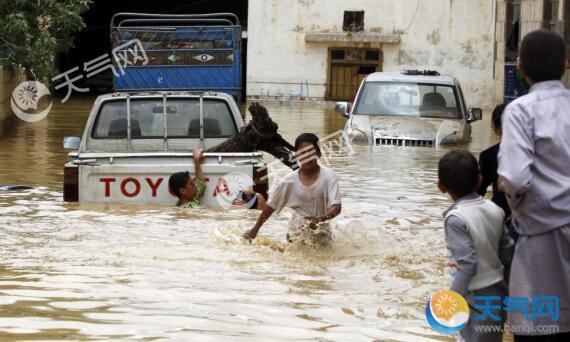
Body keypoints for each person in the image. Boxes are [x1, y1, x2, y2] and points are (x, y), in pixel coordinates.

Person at [498, 29, 570, 341]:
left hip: (540, 241)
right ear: (566, 65)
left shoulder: (520, 110)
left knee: (537, 326)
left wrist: (519, 205)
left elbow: (515, 178)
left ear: (521, 68)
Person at [438, 150, 513, 342]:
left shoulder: (456, 219)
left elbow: (467, 263)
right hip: (498, 291)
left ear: (441, 187)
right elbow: (508, 252)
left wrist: (452, 297)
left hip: (475, 295)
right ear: (479, 181)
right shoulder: (495, 209)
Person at [243, 133, 342, 246]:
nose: (307, 157)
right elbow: (271, 207)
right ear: (296, 156)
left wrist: (319, 219)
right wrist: (254, 230)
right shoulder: (288, 181)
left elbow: (337, 207)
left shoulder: (329, 176)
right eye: (302, 153)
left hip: (322, 230)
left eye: (311, 152)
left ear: (319, 154)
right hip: (297, 230)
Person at [478, 104, 511, 218]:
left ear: (495, 130)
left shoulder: (488, 156)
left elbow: (478, 193)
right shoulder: (537, 152)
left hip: (500, 218)